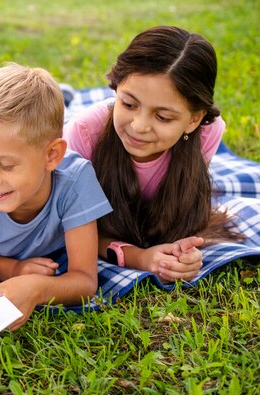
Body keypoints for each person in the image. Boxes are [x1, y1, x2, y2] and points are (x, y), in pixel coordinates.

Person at [0, 63, 113, 330]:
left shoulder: (75, 181)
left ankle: (61, 99)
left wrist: (36, 287)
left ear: (52, 155)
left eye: (7, 166)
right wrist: (13, 270)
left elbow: (84, 281)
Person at [64, 25, 241, 282]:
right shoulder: (82, 134)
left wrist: (181, 255)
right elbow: (74, 230)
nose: (139, 126)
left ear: (193, 120)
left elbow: (176, 211)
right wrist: (142, 258)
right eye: (128, 104)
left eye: (163, 116)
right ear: (115, 89)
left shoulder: (208, 132)